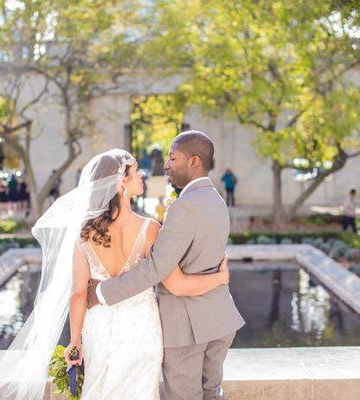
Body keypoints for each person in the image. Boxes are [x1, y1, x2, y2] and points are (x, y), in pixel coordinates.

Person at [88, 132, 245, 400]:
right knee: (211, 394)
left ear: (193, 161)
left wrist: (102, 293)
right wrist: (221, 279)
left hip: (187, 329)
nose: (166, 164)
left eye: (173, 158)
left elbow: (157, 269)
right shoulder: (217, 200)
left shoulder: (183, 207)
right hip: (219, 321)